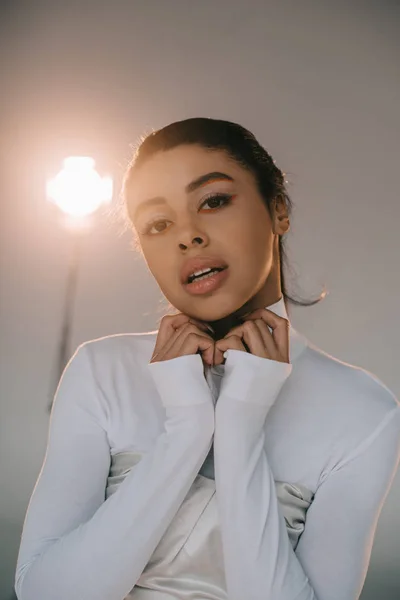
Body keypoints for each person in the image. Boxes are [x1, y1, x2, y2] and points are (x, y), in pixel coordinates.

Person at [15, 118, 400, 600]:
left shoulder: (364, 412)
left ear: (279, 209)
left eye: (213, 201)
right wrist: (187, 428)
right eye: (158, 224)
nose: (187, 236)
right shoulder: (101, 370)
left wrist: (241, 421)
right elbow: (45, 593)